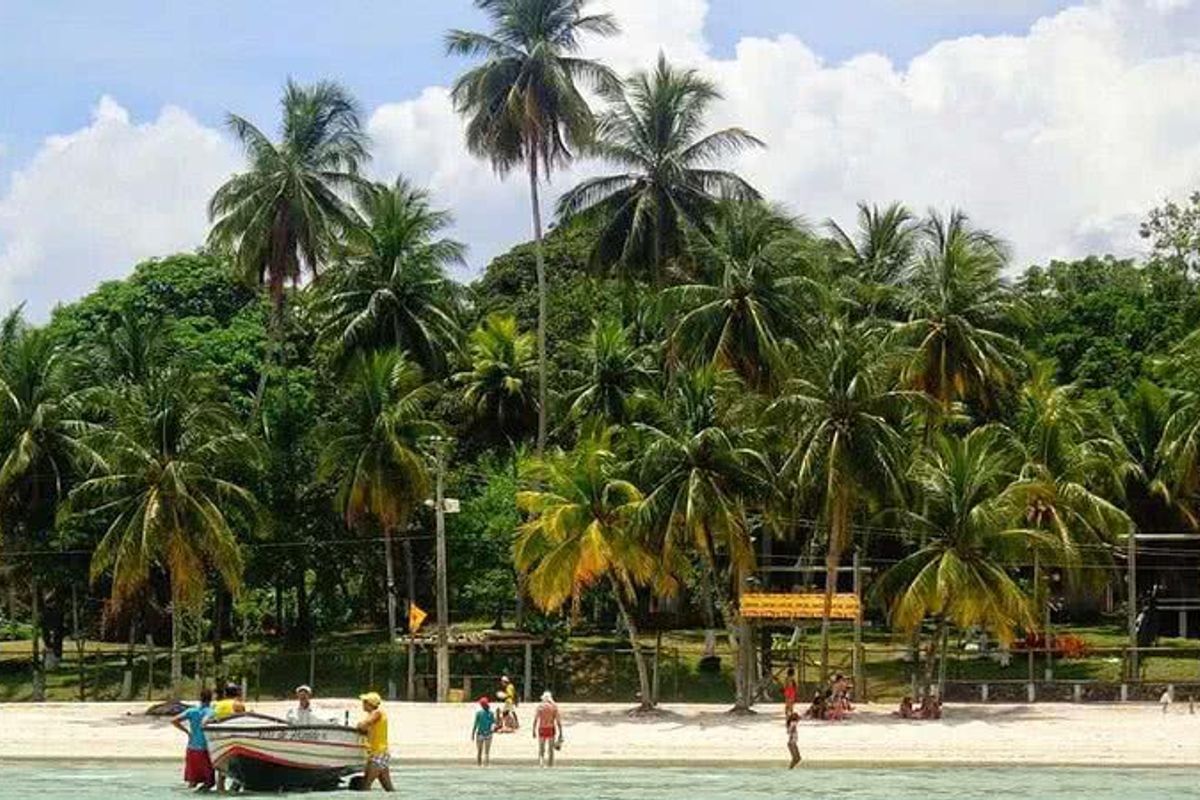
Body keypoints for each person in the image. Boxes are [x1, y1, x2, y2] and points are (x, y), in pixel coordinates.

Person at [172, 688, 215, 790]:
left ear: (200, 698)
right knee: (209, 783)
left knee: (193, 782)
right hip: (204, 749)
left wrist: (187, 731)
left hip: (191, 749)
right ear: (211, 699)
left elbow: (174, 720)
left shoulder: (192, 711)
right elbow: (204, 722)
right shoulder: (210, 711)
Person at [356, 692, 394, 792]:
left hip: (378, 753)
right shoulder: (377, 714)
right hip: (379, 753)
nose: (362, 704)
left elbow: (363, 725)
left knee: (366, 786)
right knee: (389, 789)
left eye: (365, 702)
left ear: (370, 704)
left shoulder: (377, 713)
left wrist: (359, 725)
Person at [533, 691, 562, 767]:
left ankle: (541, 765)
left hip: (542, 728)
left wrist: (533, 730)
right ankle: (550, 765)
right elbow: (558, 721)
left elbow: (536, 719)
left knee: (541, 749)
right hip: (550, 728)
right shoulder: (554, 706)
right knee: (551, 750)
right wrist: (561, 732)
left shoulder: (540, 707)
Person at [472, 696, 496, 767]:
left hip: (481, 734)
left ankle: (480, 765)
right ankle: (485, 765)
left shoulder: (480, 713)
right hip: (486, 734)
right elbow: (493, 723)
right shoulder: (489, 713)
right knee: (486, 752)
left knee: (481, 751)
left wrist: (473, 733)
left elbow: (476, 724)